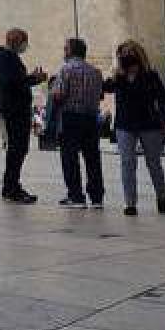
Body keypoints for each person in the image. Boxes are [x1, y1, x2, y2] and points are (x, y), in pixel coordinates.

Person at [104, 41, 165, 216]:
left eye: (130, 55)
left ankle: (161, 197)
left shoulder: (150, 76)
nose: (127, 59)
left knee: (154, 163)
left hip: (148, 123)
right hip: (125, 125)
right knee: (127, 162)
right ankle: (130, 203)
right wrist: (114, 73)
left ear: (139, 57)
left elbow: (162, 99)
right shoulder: (119, 77)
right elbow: (106, 88)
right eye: (123, 55)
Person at [0, 29, 48, 204]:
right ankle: (11, 187)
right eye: (24, 42)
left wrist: (31, 79)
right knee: (18, 148)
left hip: (14, 107)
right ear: (17, 42)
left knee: (18, 148)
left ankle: (11, 185)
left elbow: (14, 80)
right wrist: (34, 79)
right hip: (15, 108)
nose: (25, 46)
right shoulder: (6, 58)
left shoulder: (4, 57)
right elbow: (11, 82)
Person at [53, 38, 105, 209]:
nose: (63, 52)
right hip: (91, 118)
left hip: (71, 117)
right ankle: (97, 198)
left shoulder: (66, 69)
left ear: (70, 51)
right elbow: (100, 95)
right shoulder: (96, 72)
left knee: (70, 157)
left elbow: (59, 94)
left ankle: (76, 196)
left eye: (65, 49)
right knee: (92, 158)